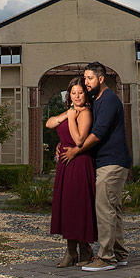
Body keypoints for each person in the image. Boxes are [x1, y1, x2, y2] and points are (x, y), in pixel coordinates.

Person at [60, 61, 131, 271]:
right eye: (85, 78)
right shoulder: (96, 100)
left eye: (90, 78)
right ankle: (119, 253)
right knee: (113, 209)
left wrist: (76, 150)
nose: (86, 82)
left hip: (112, 162)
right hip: (106, 161)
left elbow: (98, 133)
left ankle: (106, 258)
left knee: (104, 209)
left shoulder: (109, 100)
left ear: (101, 79)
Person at [46, 76, 96, 266]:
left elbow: (78, 140)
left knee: (79, 207)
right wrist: (66, 115)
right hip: (65, 165)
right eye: (73, 93)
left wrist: (72, 117)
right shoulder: (71, 112)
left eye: (80, 92)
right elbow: (49, 124)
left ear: (86, 94)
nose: (77, 96)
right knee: (66, 208)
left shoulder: (85, 113)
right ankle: (70, 251)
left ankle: (84, 251)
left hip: (80, 163)